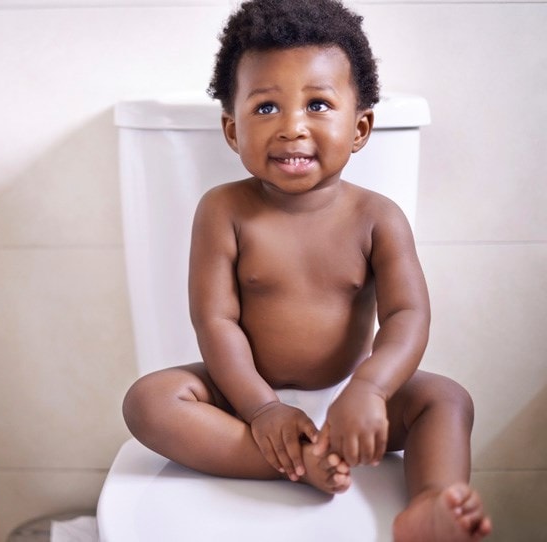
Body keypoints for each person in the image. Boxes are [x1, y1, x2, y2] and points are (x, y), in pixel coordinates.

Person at [122, 0, 493, 540]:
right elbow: (215, 323)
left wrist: (369, 387)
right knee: (148, 401)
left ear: (361, 126)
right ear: (232, 130)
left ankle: (431, 502)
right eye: (266, 108)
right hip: (244, 395)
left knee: (447, 399)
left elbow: (408, 315)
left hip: (353, 396)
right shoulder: (223, 210)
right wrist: (261, 408)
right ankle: (290, 462)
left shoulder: (377, 217)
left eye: (318, 104)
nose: (292, 127)